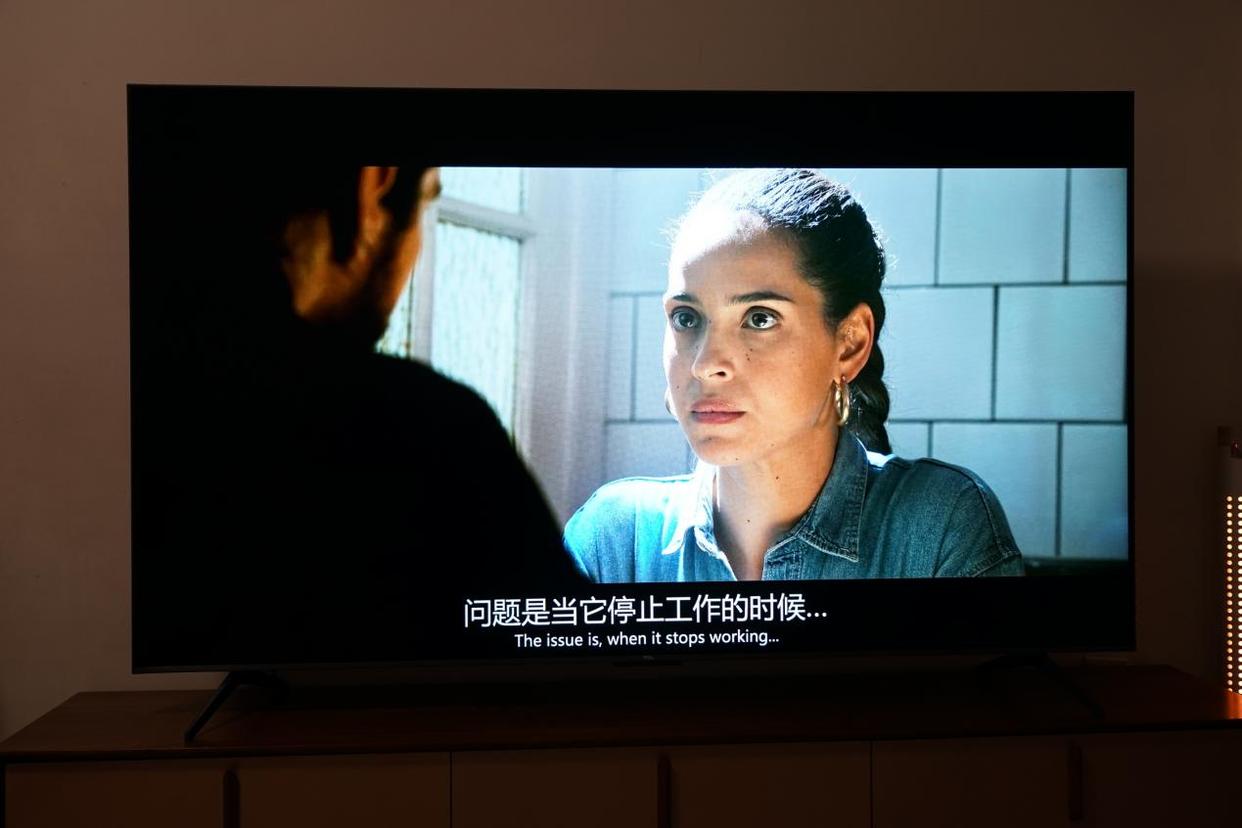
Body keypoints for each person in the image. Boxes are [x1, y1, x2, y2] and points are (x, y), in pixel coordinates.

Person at [135, 153, 584, 668]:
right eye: (425, 205)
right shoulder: (426, 430)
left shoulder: (146, 390)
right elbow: (564, 657)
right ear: (376, 186)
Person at [564, 169, 1023, 583]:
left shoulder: (940, 525)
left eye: (759, 318)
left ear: (850, 344)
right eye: (686, 318)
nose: (705, 364)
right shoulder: (613, 541)